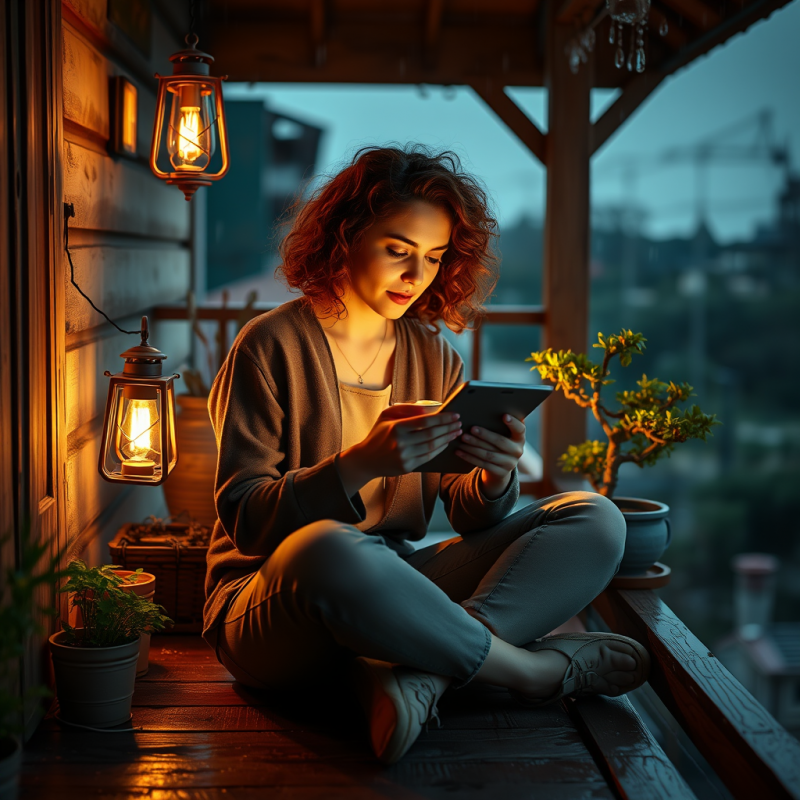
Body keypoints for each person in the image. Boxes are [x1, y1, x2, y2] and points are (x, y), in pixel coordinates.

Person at [201, 145, 650, 765]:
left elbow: (469, 517)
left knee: (595, 518)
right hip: (273, 607)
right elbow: (247, 519)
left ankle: (423, 673)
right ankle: (528, 672)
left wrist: (494, 473)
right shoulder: (269, 345)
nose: (417, 276)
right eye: (398, 250)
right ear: (345, 236)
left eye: (434, 257)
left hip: (398, 590)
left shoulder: (433, 356)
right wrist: (363, 463)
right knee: (330, 545)